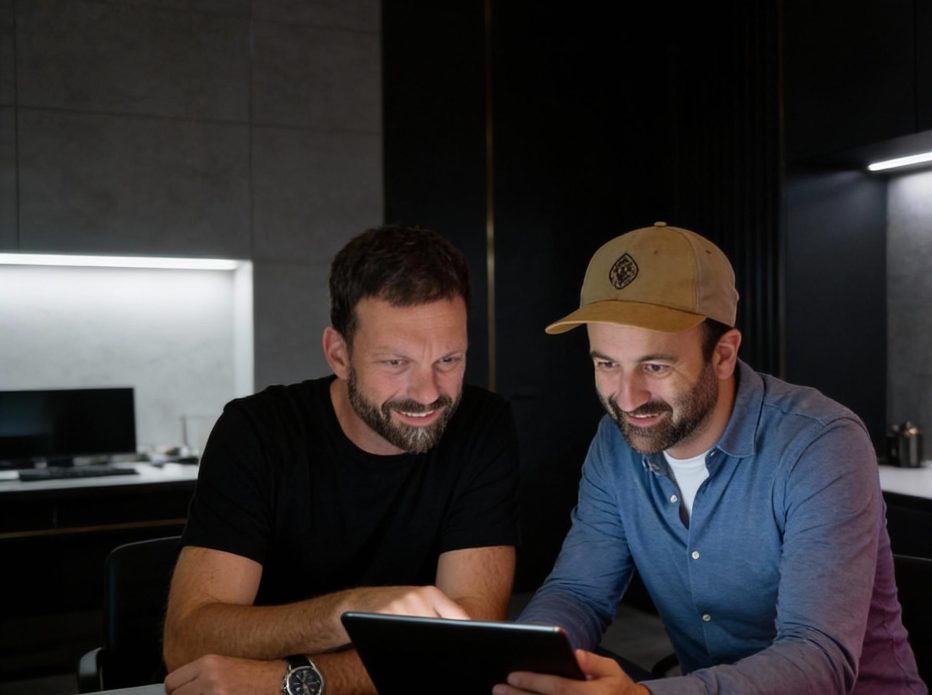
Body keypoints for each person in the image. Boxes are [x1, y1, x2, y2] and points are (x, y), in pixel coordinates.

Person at [495, 222, 925, 695]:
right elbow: (578, 592)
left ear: (723, 355)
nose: (627, 397)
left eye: (655, 366)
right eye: (606, 364)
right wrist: (522, 669)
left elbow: (818, 659)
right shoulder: (615, 443)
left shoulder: (820, 445)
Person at [162, 225, 520, 695]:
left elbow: (468, 640)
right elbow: (186, 642)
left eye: (449, 361)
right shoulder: (256, 431)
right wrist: (346, 612)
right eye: (396, 363)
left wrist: (297, 680)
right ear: (339, 354)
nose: (429, 393)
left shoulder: (482, 426)